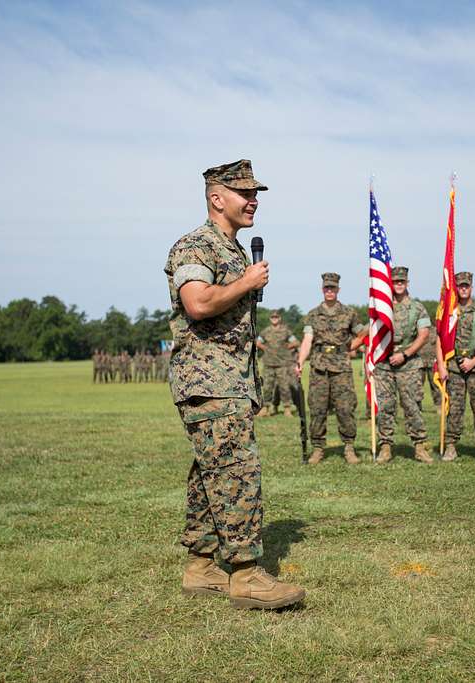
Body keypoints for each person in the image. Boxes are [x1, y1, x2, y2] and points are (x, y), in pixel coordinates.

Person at [163, 159, 304, 610]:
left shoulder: (236, 250)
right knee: (237, 471)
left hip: (232, 381)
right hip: (209, 381)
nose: (253, 200)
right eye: (244, 193)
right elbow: (198, 303)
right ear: (216, 198)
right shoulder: (195, 246)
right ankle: (246, 575)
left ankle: (201, 567)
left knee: (213, 473)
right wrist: (245, 282)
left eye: (255, 192)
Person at [295, 273, 365, 464]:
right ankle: (318, 448)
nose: (330, 291)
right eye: (327, 288)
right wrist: (301, 361)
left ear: (338, 290)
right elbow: (307, 340)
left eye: (333, 288)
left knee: (345, 408)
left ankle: (349, 447)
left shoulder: (349, 313)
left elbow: (363, 333)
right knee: (317, 408)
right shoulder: (312, 314)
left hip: (342, 368)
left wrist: (351, 348)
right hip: (319, 368)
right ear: (322, 289)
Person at [435, 272, 475, 462]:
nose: (463, 289)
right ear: (455, 288)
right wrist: (442, 366)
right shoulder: (448, 312)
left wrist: (474, 361)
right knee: (454, 409)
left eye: (466, 286)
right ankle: (451, 446)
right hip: (453, 368)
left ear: (471, 287)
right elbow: (439, 339)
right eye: (460, 286)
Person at [374, 266, 433, 464]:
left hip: (409, 364)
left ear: (407, 283)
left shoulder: (418, 308)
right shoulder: (382, 306)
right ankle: (385, 447)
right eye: (395, 282)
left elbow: (424, 335)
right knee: (385, 407)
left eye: (402, 282)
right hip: (384, 365)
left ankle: (419, 446)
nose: (398, 285)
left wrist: (405, 354)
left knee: (412, 406)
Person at [256, 309, 298, 417]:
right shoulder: (266, 331)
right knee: (267, 387)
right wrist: (265, 347)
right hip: (269, 363)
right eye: (272, 317)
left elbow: (295, 342)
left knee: (284, 387)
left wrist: (286, 347)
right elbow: (257, 342)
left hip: (282, 364)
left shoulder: (286, 331)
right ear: (270, 319)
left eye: (276, 317)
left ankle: (287, 409)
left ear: (279, 318)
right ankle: (265, 409)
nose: (274, 319)